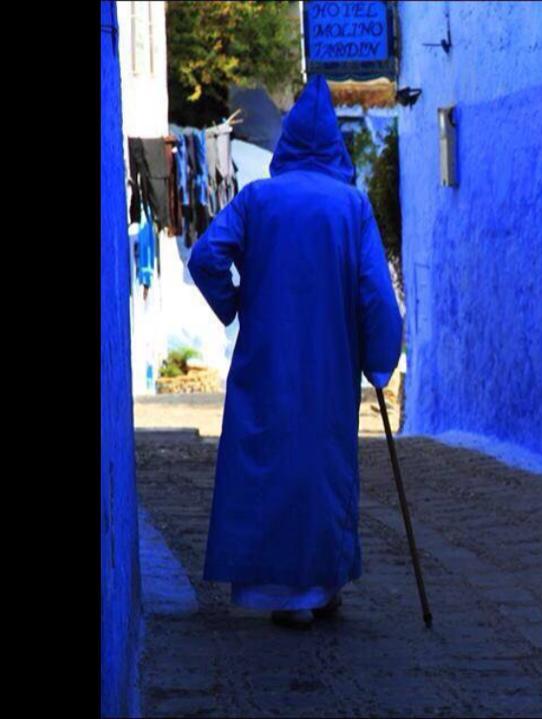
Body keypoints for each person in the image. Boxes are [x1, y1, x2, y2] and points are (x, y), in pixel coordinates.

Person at [188, 75, 403, 629]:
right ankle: (318, 587)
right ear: (334, 142)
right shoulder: (350, 207)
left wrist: (235, 303)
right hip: (330, 364)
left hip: (266, 358)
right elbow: (375, 294)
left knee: (267, 461)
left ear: (286, 143)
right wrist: (379, 360)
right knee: (321, 465)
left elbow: (205, 257)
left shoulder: (258, 198)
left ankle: (272, 588)